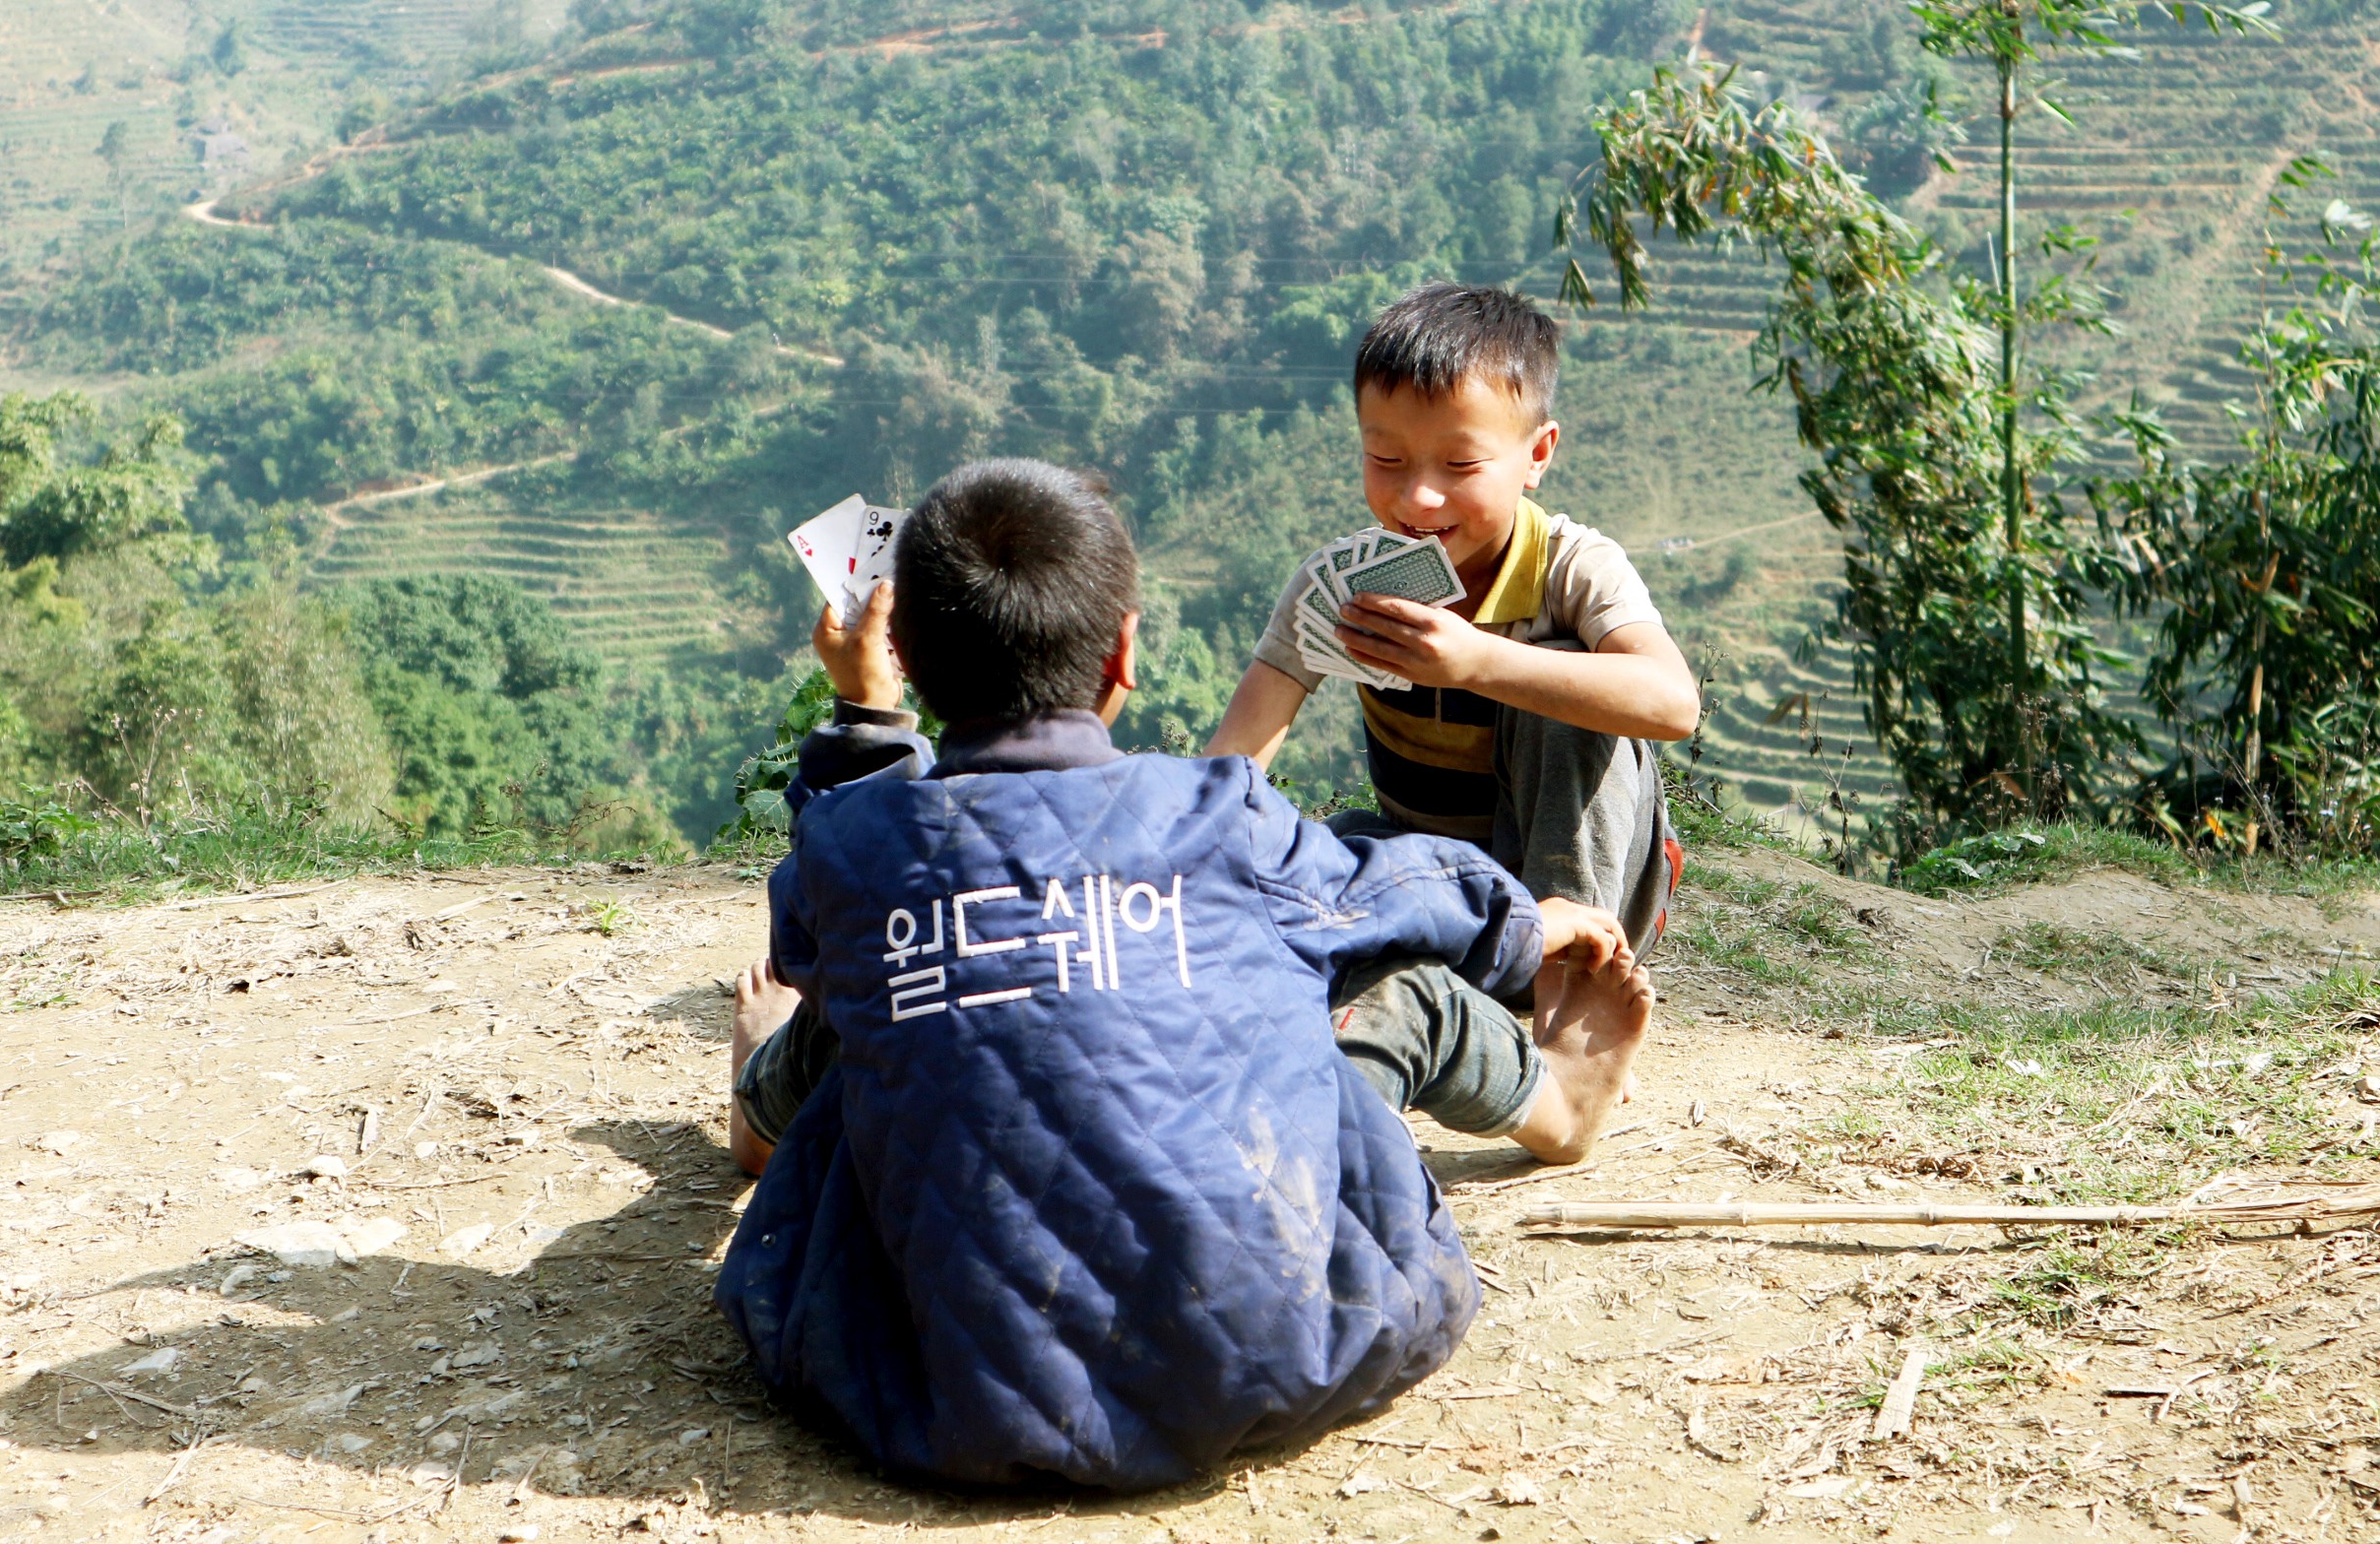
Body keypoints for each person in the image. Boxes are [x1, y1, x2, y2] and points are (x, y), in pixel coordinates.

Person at [718, 459, 1653, 1491]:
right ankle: (1551, 1099)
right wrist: (1528, 924)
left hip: (929, 1387)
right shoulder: (1219, 814)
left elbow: (810, 928)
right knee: (1395, 988)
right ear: (1123, 651)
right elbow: (1401, 893)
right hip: (1282, 1349)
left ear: (900, 650)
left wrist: (868, 718)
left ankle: (760, 1103)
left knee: (890, 980)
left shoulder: (856, 840)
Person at [1205, 281, 1702, 969]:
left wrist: (1475, 661)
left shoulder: (1573, 569)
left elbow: (1673, 703)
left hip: (1588, 901)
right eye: (1386, 461)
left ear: (1537, 455)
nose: (1418, 496)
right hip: (1443, 882)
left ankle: (1568, 993)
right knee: (1325, 848)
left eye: (1461, 464)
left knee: (1565, 685)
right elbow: (1235, 764)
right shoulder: (1348, 584)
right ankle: (1468, 955)